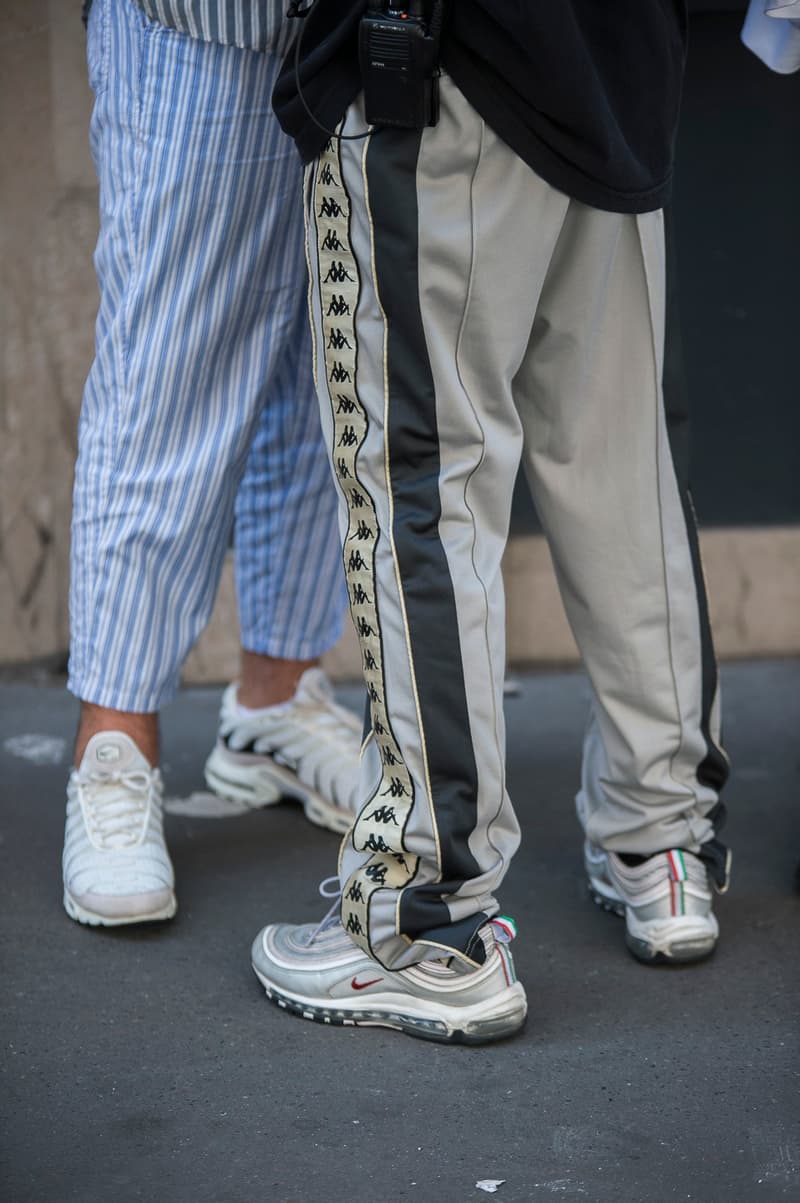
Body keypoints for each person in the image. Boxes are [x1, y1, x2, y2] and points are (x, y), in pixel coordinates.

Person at [249, 0, 732, 1044]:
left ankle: (426, 923)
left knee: (422, 487)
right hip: (618, 66)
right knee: (620, 464)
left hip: (441, 62)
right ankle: (662, 845)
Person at [63, 0, 362, 928]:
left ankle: (274, 701)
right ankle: (113, 747)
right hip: (200, 20)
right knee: (167, 364)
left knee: (330, 360)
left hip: (365, 28)